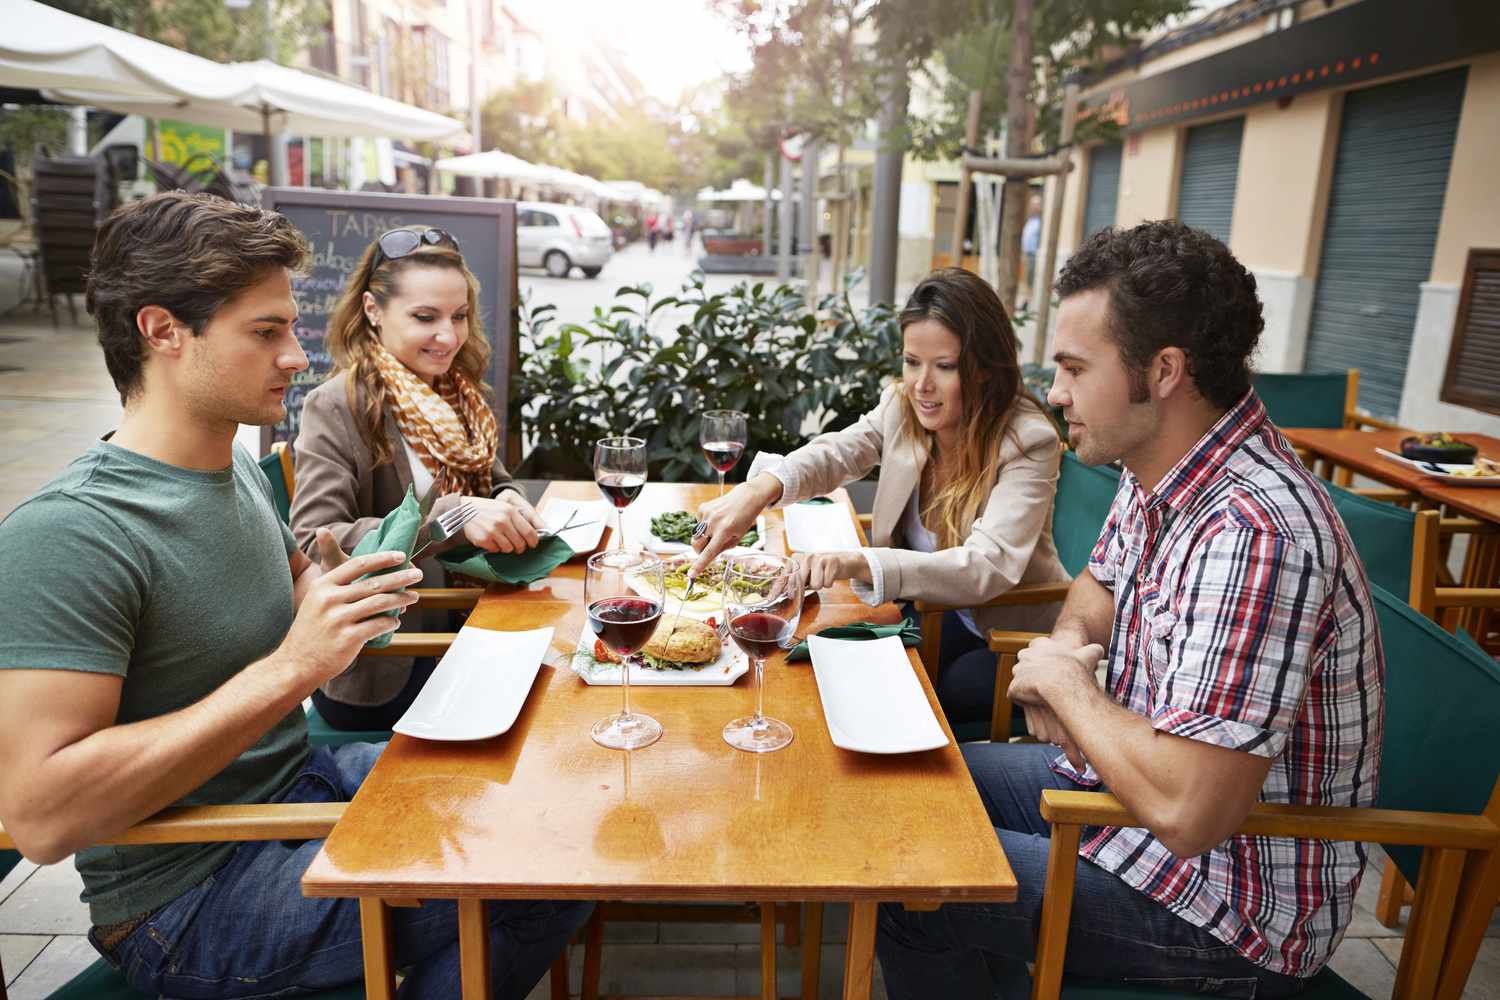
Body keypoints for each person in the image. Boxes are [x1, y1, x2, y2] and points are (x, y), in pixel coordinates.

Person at [0, 192, 591, 999]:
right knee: (552, 870)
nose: (297, 355)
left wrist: (441, 612)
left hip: (295, 792)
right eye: (266, 331)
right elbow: (39, 818)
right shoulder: (71, 533)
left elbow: (316, 588)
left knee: (561, 802)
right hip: (188, 899)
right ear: (162, 330)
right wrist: (294, 666)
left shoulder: (231, 470)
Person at [875, 220, 1383, 999]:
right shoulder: (1160, 472)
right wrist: (1069, 647)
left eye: (1076, 368)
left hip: (1223, 906)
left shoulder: (1255, 533)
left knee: (915, 871)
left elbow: (1188, 810)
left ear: (1165, 370)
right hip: (1121, 805)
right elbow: (1096, 587)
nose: (1056, 391)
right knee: (914, 788)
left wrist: (1069, 689)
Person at [691, 267, 1069, 723]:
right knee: (821, 665)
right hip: (927, 610)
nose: (922, 384)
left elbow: (986, 567)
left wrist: (858, 563)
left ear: (986, 369)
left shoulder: (1028, 440)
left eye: (945, 366)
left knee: (893, 700)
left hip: (1008, 637)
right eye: (912, 362)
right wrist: (757, 490)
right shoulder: (903, 406)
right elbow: (838, 453)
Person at [292, 224, 546, 731]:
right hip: (389, 663)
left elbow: (493, 480)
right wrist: (451, 518)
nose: (449, 337)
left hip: (470, 630)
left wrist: (512, 499)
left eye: (460, 317)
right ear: (372, 311)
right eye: (425, 317)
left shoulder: (457, 392)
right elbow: (314, 542)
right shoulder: (337, 404)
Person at [1019, 194, 1042, 310]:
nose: (1034, 207)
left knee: (1030, 280)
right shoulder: (1031, 220)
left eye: (1037, 204)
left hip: (1033, 255)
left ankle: (1027, 303)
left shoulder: (1040, 222)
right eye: (1033, 204)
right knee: (1026, 279)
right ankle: (1025, 301)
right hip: (1027, 254)